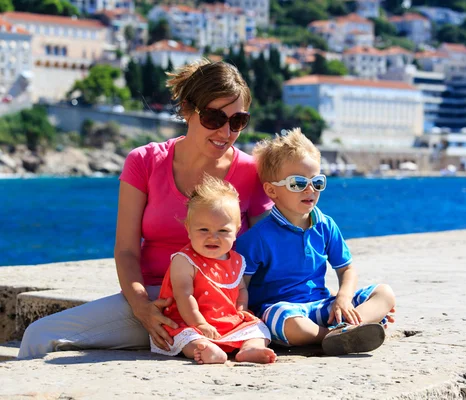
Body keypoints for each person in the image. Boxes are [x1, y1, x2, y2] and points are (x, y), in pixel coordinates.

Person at [18, 59, 272, 359]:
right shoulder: (145, 161)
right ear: (189, 110)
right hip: (154, 301)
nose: (226, 131)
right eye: (214, 118)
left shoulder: (252, 172)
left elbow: (269, 250)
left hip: (219, 308)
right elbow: (126, 250)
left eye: (238, 121)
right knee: (40, 334)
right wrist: (143, 309)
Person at [236, 128, 396, 356]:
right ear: (272, 190)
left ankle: (347, 328)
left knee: (384, 293)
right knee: (286, 320)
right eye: (297, 183)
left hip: (324, 306)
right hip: (285, 310)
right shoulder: (257, 237)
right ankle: (332, 336)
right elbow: (242, 286)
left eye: (317, 182)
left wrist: (343, 299)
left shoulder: (325, 225)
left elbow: (347, 269)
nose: (310, 189)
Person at [151, 175, 276, 364]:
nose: (213, 237)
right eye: (203, 230)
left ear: (237, 229)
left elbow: (240, 289)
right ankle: (204, 350)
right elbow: (184, 296)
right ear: (188, 227)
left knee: (258, 328)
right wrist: (199, 324)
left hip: (226, 321)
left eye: (223, 231)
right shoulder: (184, 261)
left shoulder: (235, 261)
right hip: (189, 321)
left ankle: (250, 348)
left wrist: (241, 309)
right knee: (187, 338)